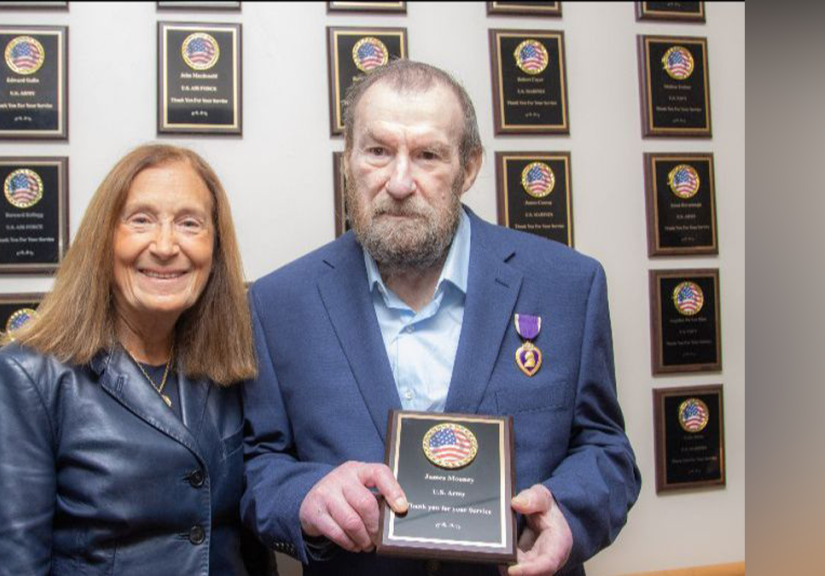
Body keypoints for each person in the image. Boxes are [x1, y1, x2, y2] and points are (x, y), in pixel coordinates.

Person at [241, 61, 641, 576]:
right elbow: (259, 465)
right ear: (348, 160)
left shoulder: (568, 286)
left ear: (468, 168)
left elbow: (606, 450)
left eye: (428, 155)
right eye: (377, 151)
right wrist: (304, 497)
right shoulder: (279, 304)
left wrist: (567, 510)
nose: (399, 182)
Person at [0, 144, 275, 575]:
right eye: (141, 220)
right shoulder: (24, 378)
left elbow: (249, 543)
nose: (166, 245)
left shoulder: (229, 368)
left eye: (189, 223)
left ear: (215, 248)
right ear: (104, 238)